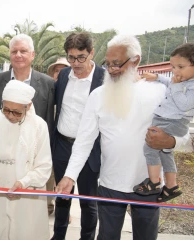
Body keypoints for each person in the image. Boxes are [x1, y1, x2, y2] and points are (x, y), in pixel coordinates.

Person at [56, 35, 189, 240]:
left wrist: (171, 142)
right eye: (107, 64)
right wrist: (69, 176)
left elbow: (185, 135)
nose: (111, 69)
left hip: (148, 184)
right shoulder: (98, 95)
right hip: (110, 184)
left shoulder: (161, 91)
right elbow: (84, 141)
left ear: (136, 60)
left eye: (117, 63)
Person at [0, 80, 52, 239]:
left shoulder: (39, 126)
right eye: (6, 110)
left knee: (25, 229)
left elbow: (44, 167)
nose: (10, 116)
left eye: (17, 112)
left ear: (28, 106)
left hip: (27, 189)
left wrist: (24, 183)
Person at [51, 32, 104, 240]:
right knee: (62, 196)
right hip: (62, 145)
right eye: (71, 58)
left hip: (90, 150)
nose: (75, 63)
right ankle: (58, 236)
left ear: (91, 53)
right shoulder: (64, 75)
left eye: (81, 57)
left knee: (88, 201)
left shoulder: (103, 78)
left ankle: (87, 238)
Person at [133, 43, 194, 202]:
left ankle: (154, 183)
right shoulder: (182, 81)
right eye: (173, 67)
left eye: (181, 66)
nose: (176, 71)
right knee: (166, 153)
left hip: (173, 121)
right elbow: (170, 83)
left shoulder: (189, 85)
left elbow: (184, 104)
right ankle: (171, 186)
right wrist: (158, 77)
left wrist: (175, 85)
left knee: (150, 147)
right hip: (168, 120)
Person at [0, 33, 55, 139]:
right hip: (1, 148)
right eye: (14, 51)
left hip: (33, 148)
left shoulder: (48, 84)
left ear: (33, 54)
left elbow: (49, 123)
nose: (18, 55)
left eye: (23, 51)